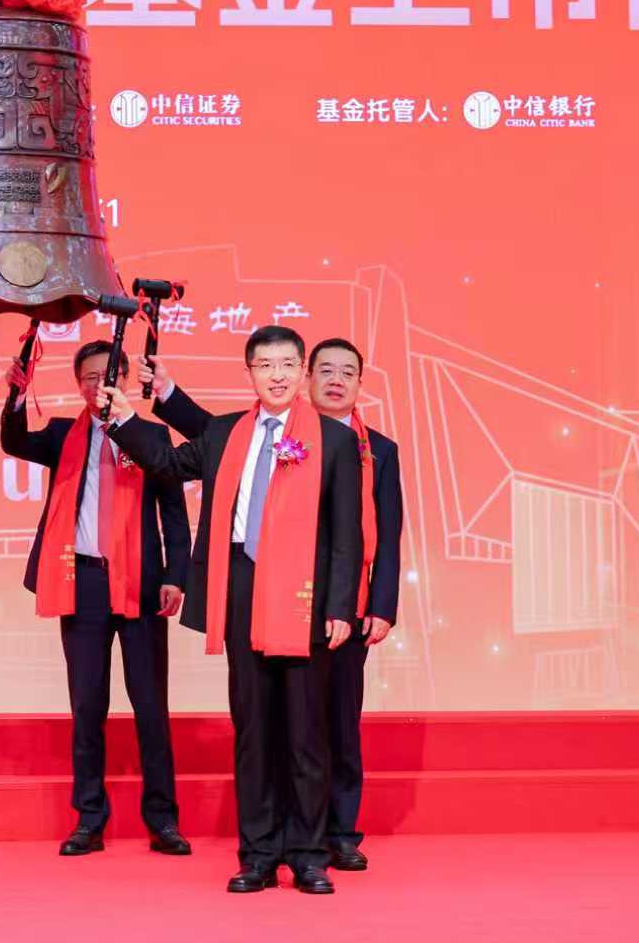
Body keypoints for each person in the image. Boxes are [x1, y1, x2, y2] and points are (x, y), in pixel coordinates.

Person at [105, 325, 360, 895]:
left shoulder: (335, 441)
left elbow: (347, 533)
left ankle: (308, 855)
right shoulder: (225, 434)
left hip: (306, 594)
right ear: (250, 373)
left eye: (287, 364)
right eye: (265, 365)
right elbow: (167, 464)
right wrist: (123, 419)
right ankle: (259, 854)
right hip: (242, 585)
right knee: (253, 729)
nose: (277, 375)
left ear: (302, 372)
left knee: (306, 732)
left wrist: (341, 605)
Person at [2, 339, 192, 858]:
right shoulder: (63, 434)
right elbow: (14, 442)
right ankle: (89, 819)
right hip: (82, 582)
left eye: (106, 375)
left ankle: (164, 821)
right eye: (87, 377)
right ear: (78, 383)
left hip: (141, 583)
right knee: (87, 705)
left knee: (150, 705)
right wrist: (16, 395)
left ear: (124, 379)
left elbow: (174, 515)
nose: (97, 384)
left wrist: (176, 575)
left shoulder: (151, 436)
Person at [304, 338, 403, 872]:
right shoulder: (286, 439)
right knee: (299, 724)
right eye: (326, 370)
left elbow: (389, 532)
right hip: (291, 602)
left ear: (361, 384)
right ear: (308, 380)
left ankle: (341, 832)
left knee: (341, 723)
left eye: (348, 372)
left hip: (353, 605)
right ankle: (301, 831)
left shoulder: (380, 450)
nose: (336, 380)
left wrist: (381, 604)